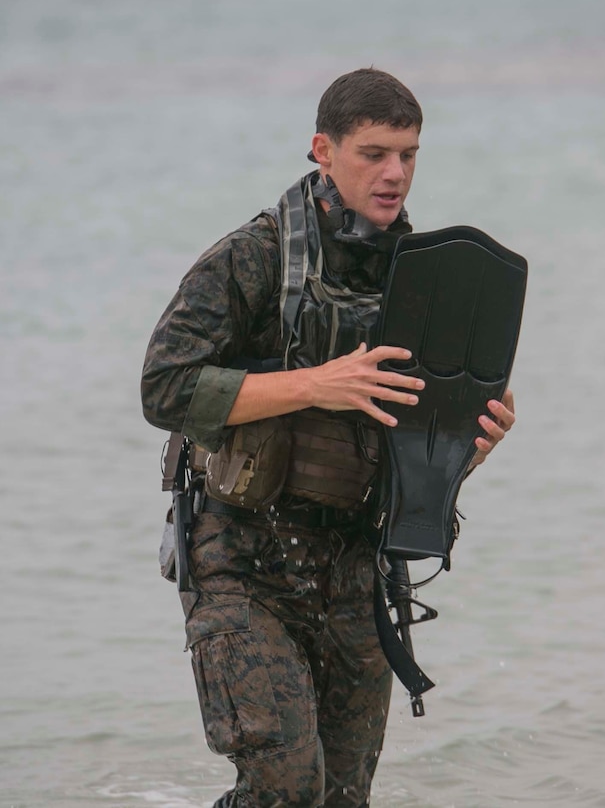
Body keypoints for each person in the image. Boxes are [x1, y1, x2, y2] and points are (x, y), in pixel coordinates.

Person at [141, 68, 516, 808]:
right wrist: (315, 383)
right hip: (242, 564)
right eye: (374, 153)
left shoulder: (426, 278)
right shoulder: (253, 258)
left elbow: (414, 453)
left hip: (355, 569)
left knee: (342, 799)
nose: (395, 173)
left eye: (408, 154)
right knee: (285, 787)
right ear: (323, 149)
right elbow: (163, 386)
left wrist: (469, 448)